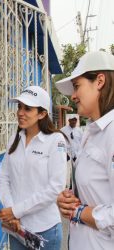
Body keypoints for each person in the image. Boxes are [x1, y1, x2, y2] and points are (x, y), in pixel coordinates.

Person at [56, 50, 114, 250]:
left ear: (99, 81)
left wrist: (78, 211)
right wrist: (70, 198)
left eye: (76, 86)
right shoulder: (91, 131)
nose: (73, 96)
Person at [0, 85, 67, 250]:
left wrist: (16, 211)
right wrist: (11, 212)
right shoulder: (15, 137)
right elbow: (3, 178)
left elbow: (55, 188)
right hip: (16, 229)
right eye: (19, 107)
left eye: (27, 108)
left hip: (46, 230)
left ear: (42, 114)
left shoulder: (55, 140)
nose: (20, 112)